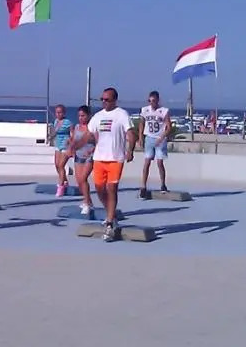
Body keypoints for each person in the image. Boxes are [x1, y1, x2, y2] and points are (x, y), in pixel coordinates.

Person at [88, 87, 137, 241]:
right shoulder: (97, 116)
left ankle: (109, 223)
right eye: (102, 99)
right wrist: (77, 146)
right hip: (99, 158)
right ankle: (111, 213)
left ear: (114, 100)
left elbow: (131, 134)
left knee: (111, 188)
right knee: (99, 189)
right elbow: (90, 134)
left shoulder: (121, 114)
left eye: (107, 100)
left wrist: (130, 150)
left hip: (115, 158)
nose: (104, 102)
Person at [66, 104, 97, 217]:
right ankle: (87, 201)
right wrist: (70, 147)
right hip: (78, 155)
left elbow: (99, 141)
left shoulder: (92, 128)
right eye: (79, 116)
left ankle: (87, 204)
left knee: (83, 178)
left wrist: (93, 150)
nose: (81, 118)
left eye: (83, 116)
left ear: (88, 115)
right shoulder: (77, 127)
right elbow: (74, 140)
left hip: (90, 156)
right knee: (79, 181)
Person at [139, 90, 172, 194]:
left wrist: (162, 137)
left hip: (159, 139)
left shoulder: (163, 111)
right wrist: (140, 137)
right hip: (149, 138)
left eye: (153, 101)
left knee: (159, 162)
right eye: (150, 101)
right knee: (147, 162)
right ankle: (143, 186)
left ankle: (163, 184)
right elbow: (141, 124)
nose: (151, 103)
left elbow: (169, 127)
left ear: (158, 100)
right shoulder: (145, 110)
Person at [48, 104, 73, 196]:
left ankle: (60, 186)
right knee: (57, 165)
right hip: (57, 144)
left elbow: (72, 134)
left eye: (60, 112)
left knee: (61, 166)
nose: (58, 114)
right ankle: (65, 181)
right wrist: (51, 138)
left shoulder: (68, 122)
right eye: (57, 112)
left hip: (65, 146)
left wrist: (71, 146)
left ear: (64, 113)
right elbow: (56, 132)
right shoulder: (56, 121)